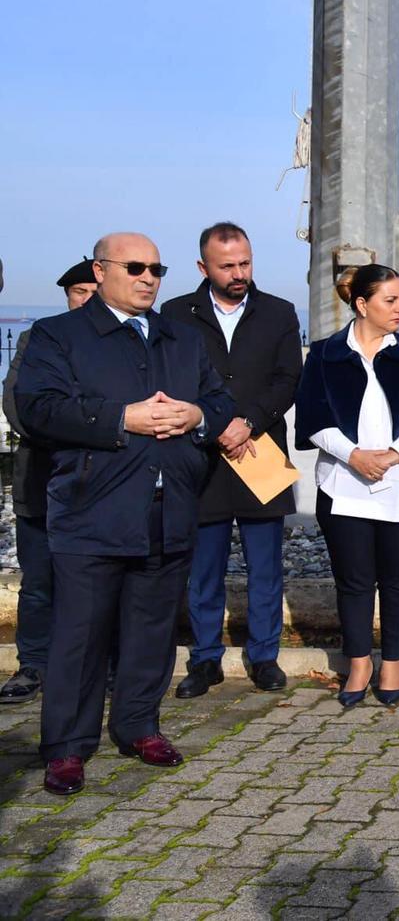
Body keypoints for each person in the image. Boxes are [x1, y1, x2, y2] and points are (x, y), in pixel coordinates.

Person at [14, 233, 233, 796]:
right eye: (135, 267)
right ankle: (67, 746)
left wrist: (197, 417)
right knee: (80, 635)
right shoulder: (58, 335)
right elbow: (38, 408)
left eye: (157, 269)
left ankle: (138, 726)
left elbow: (220, 401)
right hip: (93, 510)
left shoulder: (181, 337)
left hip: (170, 508)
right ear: (100, 269)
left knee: (152, 630)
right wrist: (120, 419)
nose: (148, 278)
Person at [161, 223, 303, 698]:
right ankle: (205, 660)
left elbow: (288, 379)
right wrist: (217, 424)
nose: (239, 273)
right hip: (202, 456)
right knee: (204, 568)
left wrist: (249, 422)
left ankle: (264, 657)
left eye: (245, 263)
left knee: (266, 567)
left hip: (262, 451)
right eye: (227, 266)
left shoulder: (279, 312)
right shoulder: (175, 313)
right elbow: (173, 378)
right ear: (203, 267)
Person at [295, 265, 399, 709]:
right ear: (362, 304)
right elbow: (312, 416)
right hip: (343, 486)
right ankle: (359, 662)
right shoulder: (325, 354)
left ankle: (393, 662)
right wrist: (354, 456)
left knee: (398, 578)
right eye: (390, 300)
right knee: (354, 581)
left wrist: (394, 455)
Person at [0, 260, 99, 703]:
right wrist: (70, 436)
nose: (87, 299)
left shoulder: (120, 345)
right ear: (67, 296)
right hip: (40, 479)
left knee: (100, 584)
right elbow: (18, 403)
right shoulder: (37, 338)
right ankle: (33, 665)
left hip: (100, 484)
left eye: (94, 291)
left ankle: (100, 665)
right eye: (79, 292)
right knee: (39, 583)